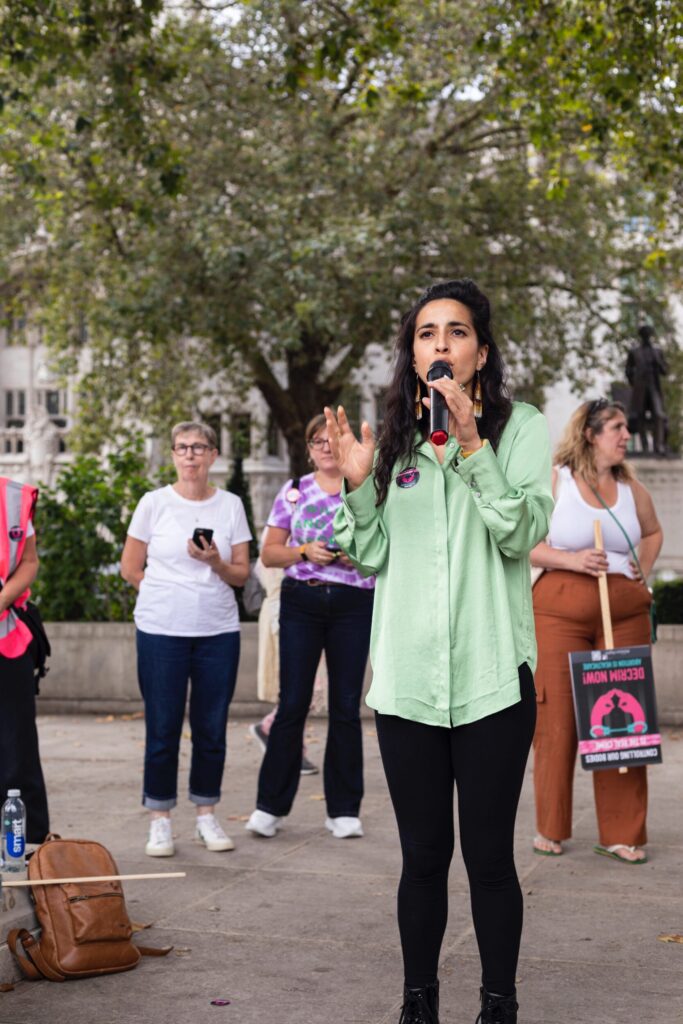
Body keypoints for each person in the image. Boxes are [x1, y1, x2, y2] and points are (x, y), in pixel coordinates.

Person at [326, 278, 553, 1024]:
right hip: (408, 683)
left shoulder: (519, 428)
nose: (440, 345)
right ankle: (417, 1005)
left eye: (455, 332)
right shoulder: (392, 441)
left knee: (489, 862)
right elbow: (370, 555)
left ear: (480, 352)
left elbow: (520, 533)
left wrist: (471, 446)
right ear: (412, 352)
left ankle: (497, 1005)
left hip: (493, 680)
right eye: (426, 334)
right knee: (421, 859)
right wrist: (359, 488)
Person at [530, 399, 663, 864]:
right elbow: (527, 544)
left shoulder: (631, 487)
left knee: (622, 721)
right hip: (558, 611)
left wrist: (639, 572)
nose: (626, 435)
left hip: (622, 612)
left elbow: (652, 533)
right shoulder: (556, 480)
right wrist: (572, 560)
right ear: (590, 433)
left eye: (626, 427)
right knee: (557, 721)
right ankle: (550, 826)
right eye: (617, 427)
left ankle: (623, 832)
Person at [120, 421, 251, 856]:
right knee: (162, 727)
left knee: (211, 729)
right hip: (161, 631)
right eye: (182, 447)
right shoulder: (154, 503)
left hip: (217, 632)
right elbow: (130, 566)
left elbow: (241, 573)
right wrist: (160, 594)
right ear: (173, 455)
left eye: (199, 447)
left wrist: (214, 561)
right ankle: (160, 820)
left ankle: (206, 815)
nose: (190, 454)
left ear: (214, 455)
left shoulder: (230, 505)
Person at [245, 414, 375, 841]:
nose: (324, 447)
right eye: (316, 441)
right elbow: (268, 554)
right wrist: (304, 550)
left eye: (332, 439)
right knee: (293, 703)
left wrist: (347, 557)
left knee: (345, 706)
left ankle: (343, 810)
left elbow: (382, 549)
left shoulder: (367, 490)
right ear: (308, 449)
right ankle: (270, 807)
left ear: (345, 444)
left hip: (354, 603)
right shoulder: (294, 492)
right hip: (303, 600)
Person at [0, 477, 50, 846]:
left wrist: (1, 602)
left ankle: (27, 845)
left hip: (7, 636)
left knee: (17, 745)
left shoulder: (13, 496)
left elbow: (29, 560)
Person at [249, 547, 322, 775]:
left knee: (304, 687)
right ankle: (276, 734)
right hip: (284, 614)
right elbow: (271, 572)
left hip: (302, 613)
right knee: (298, 688)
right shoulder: (282, 537)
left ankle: (288, 744)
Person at [625, 324, 668, 455]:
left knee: (659, 415)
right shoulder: (634, 352)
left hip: (654, 387)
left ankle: (658, 446)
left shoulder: (657, 352)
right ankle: (644, 446)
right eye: (645, 334)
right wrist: (634, 383)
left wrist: (658, 362)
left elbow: (665, 371)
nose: (647, 337)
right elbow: (628, 370)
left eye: (649, 334)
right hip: (640, 388)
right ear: (641, 336)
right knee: (640, 416)